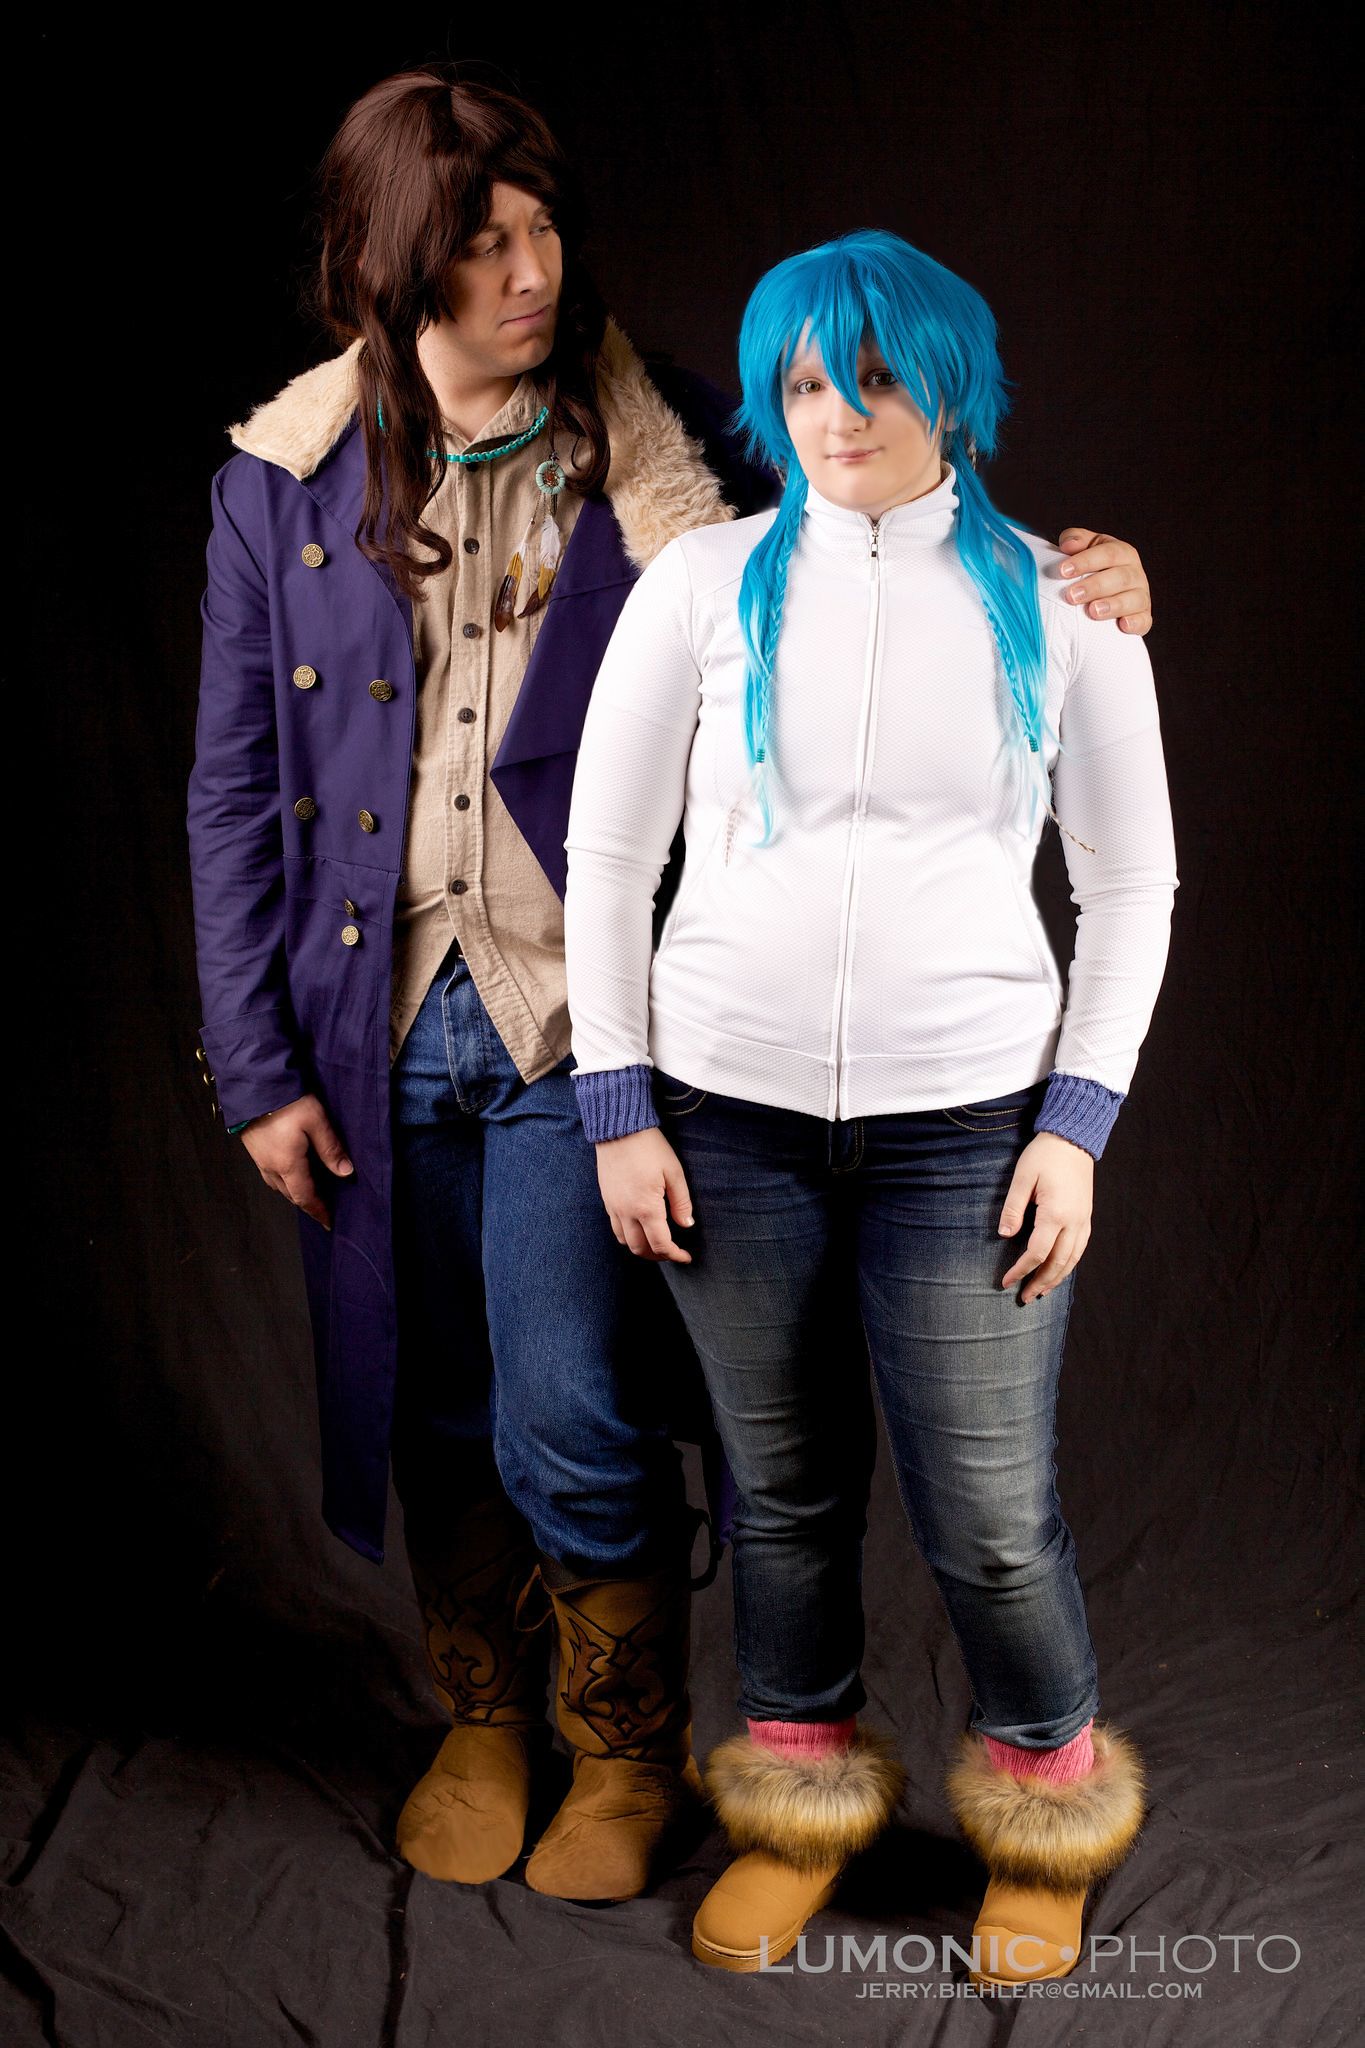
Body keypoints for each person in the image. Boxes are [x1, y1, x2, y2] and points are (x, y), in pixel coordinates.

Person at [189, 64, 1159, 1910]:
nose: (532, 273)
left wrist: (1087, 573)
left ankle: (627, 1747)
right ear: (390, 268)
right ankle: (494, 1724)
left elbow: (890, 498)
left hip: (585, 1016)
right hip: (374, 1013)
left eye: (543, 230)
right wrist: (256, 1066)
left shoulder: (677, 443)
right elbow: (236, 786)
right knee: (439, 1403)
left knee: (580, 1404)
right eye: (482, 247)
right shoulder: (279, 487)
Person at [564, 229, 1176, 1979]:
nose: (839, 413)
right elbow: (606, 852)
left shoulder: (1066, 603)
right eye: (806, 381)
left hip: (968, 1131)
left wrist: (1075, 1125)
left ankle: (1046, 1817)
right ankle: (793, 1814)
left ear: (952, 388)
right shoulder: (700, 584)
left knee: (987, 1516)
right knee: (780, 1496)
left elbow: (1130, 882)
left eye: (880, 377)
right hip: (723, 1121)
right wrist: (618, 1102)